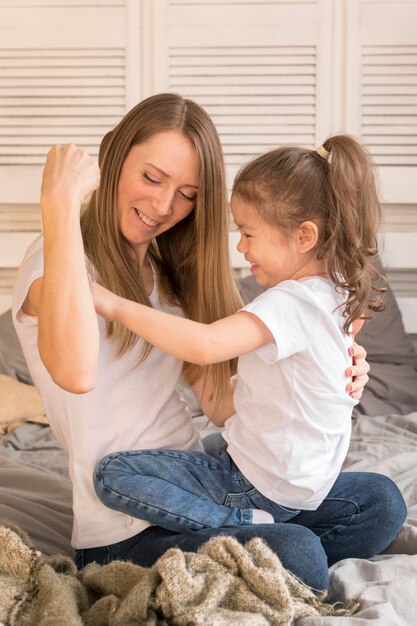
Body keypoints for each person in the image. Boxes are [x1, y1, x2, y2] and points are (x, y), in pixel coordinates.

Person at [12, 92, 372, 592]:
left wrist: (321, 377)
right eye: (151, 178)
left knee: (377, 501)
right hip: (124, 526)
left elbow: (222, 406)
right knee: (300, 554)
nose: (163, 206)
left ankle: (251, 534)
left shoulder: (166, 274)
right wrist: (58, 204)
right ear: (112, 158)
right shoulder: (56, 265)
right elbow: (75, 372)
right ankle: (261, 543)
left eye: (188, 193)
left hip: (198, 478)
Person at [91, 135, 407, 567]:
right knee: (383, 501)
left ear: (303, 237)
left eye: (248, 233)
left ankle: (240, 522)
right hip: (296, 486)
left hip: (256, 485)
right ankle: (285, 546)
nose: (240, 247)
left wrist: (112, 304)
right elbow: (285, 389)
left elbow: (204, 344)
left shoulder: (289, 301)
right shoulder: (337, 291)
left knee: (114, 473)